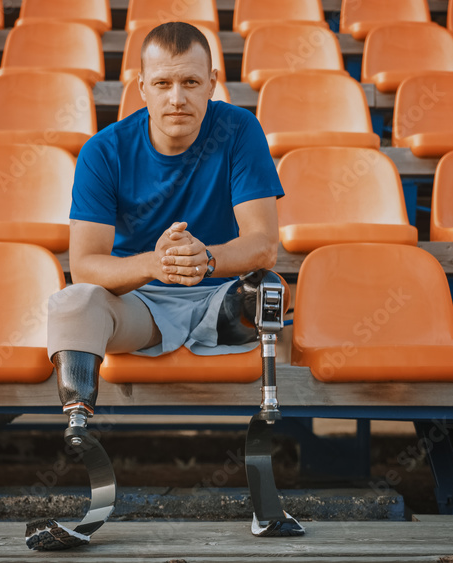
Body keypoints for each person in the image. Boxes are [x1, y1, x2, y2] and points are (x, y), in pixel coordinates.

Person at [29, 22, 305, 550]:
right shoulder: (103, 150)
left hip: (220, 297)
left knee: (267, 286)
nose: (177, 98)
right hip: (142, 302)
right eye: (163, 84)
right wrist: (154, 265)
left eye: (191, 83)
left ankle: (265, 484)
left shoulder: (238, 130)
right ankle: (81, 429)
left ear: (213, 82)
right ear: (141, 86)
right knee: (70, 301)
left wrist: (204, 259)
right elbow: (84, 264)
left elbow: (263, 245)